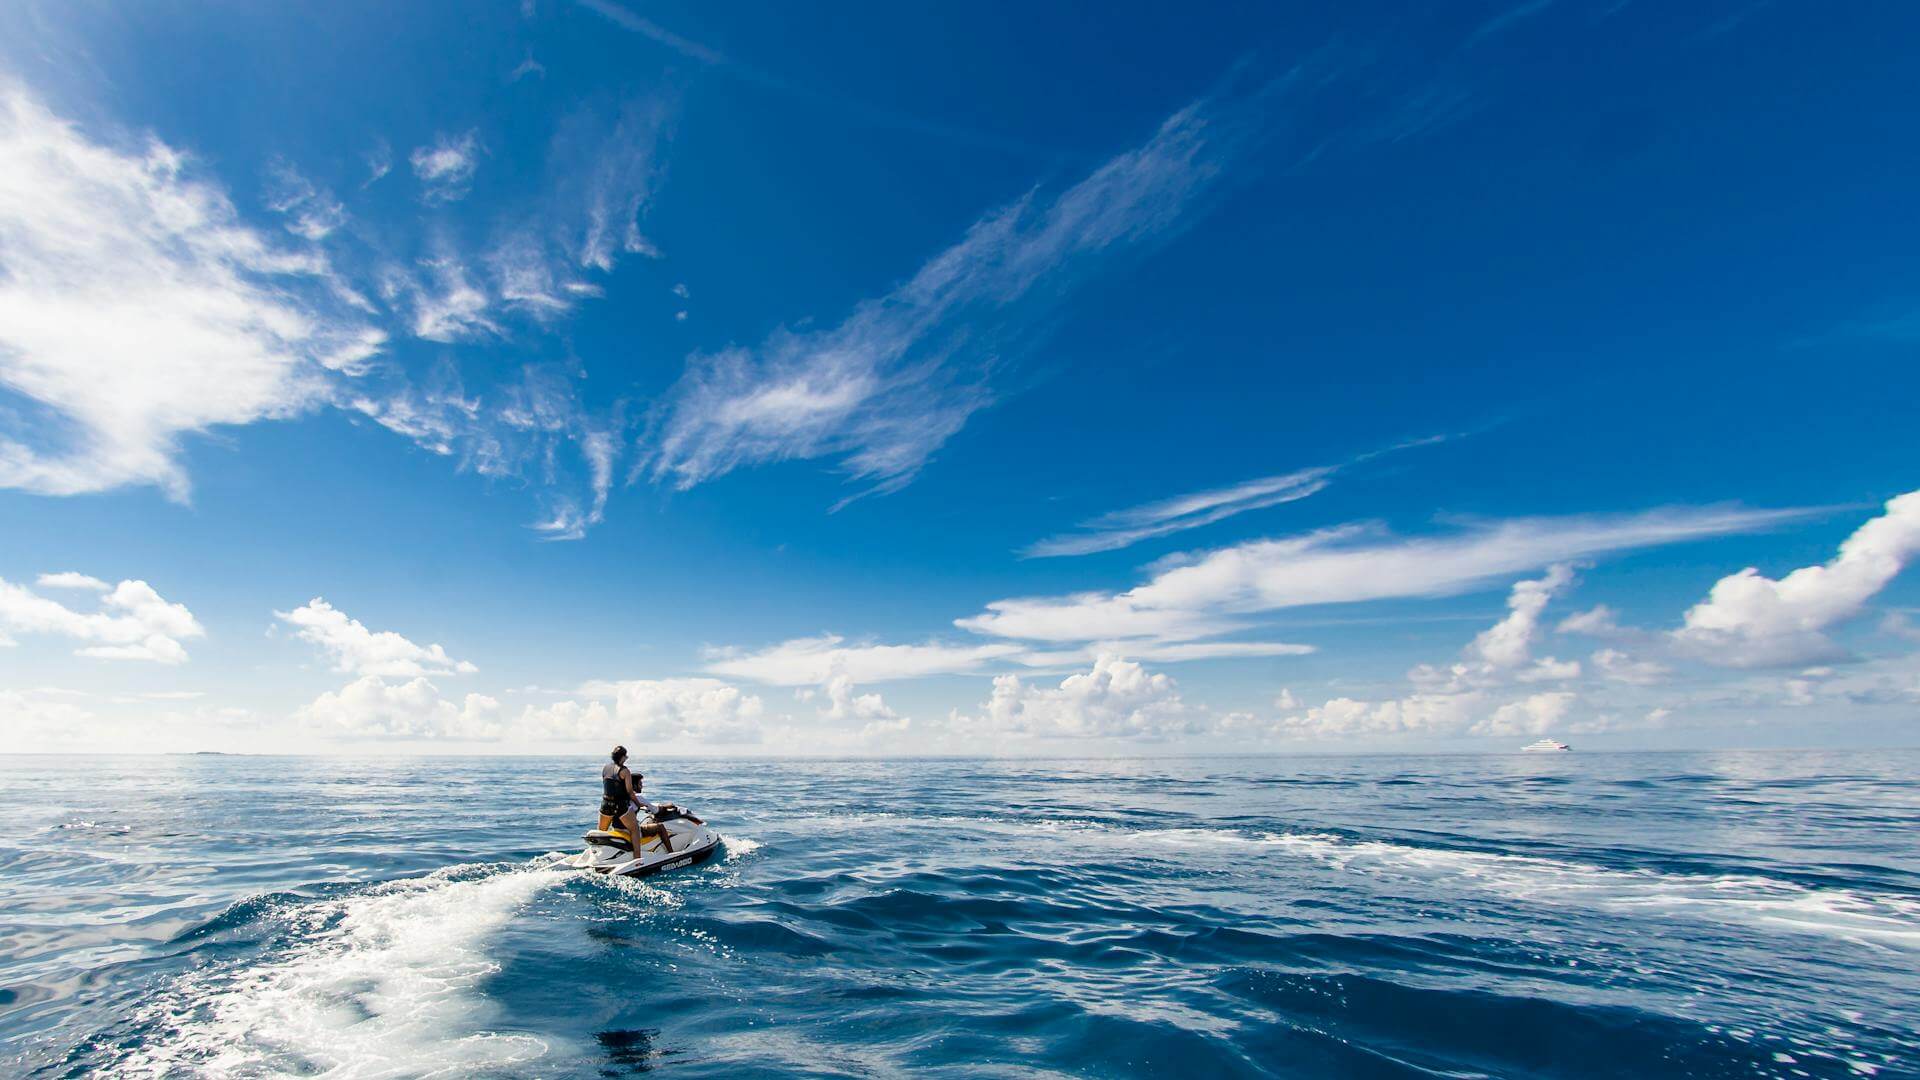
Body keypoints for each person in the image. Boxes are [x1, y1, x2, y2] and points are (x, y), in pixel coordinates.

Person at [598, 746, 678, 855]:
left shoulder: (606, 768)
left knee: (600, 832)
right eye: (625, 756)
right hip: (620, 805)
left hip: (606, 804)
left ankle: (596, 853)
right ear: (622, 757)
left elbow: (608, 786)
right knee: (635, 829)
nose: (626, 758)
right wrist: (638, 803)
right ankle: (638, 859)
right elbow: (630, 792)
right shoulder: (624, 771)